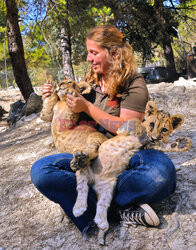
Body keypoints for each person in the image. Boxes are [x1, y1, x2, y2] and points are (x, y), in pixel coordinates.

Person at [31, 25, 176, 235]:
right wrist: (51, 99)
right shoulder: (89, 81)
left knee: (160, 172)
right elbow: (64, 116)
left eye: (94, 52)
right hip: (89, 156)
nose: (89, 59)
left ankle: (95, 206)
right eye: (88, 52)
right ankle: (121, 209)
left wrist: (87, 107)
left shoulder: (133, 82)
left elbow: (127, 129)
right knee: (41, 171)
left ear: (113, 53)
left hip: (124, 157)